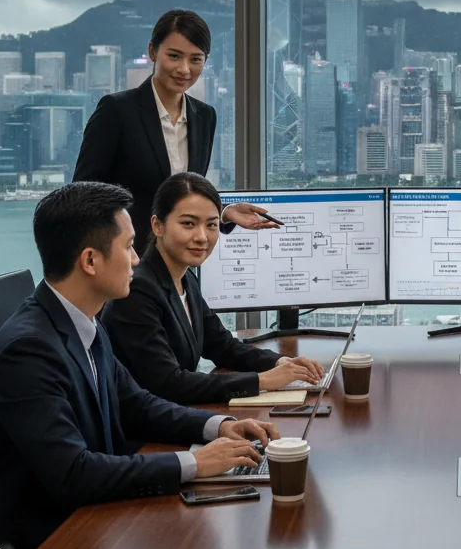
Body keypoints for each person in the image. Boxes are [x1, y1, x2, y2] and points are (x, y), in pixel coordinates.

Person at [0, 182, 281, 549]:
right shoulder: (27, 351)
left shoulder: (83, 321)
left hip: (90, 522)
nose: (136, 259)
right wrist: (195, 463)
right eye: (129, 246)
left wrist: (218, 426)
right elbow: (74, 473)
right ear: (90, 261)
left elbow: (135, 404)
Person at [102, 172, 327, 404]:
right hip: (146, 423)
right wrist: (263, 381)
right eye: (188, 224)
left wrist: (280, 362)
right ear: (157, 225)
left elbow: (222, 346)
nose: (202, 237)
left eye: (211, 225)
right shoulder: (137, 290)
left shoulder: (186, 279)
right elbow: (168, 383)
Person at [72, 8, 275, 248]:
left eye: (195, 59)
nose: (184, 69)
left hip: (181, 257)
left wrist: (223, 212)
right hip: (128, 258)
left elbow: (185, 195)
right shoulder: (117, 111)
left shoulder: (204, 116)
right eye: (174, 56)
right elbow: (83, 194)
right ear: (153, 52)